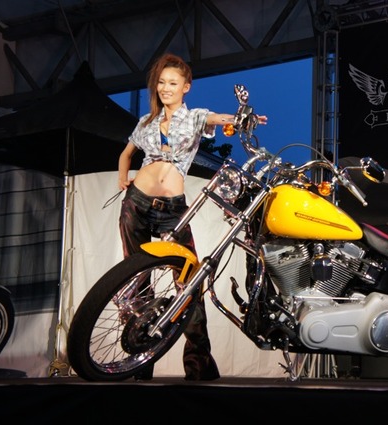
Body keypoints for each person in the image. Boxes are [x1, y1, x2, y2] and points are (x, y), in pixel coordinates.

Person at [117, 52, 266, 380]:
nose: (165, 88)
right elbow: (126, 153)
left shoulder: (194, 117)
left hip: (173, 212)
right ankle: (140, 361)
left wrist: (242, 120)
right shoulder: (146, 123)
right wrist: (122, 178)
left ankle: (198, 366)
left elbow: (218, 119)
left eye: (172, 83)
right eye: (161, 83)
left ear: (186, 87)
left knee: (189, 282)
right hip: (135, 205)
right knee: (137, 283)